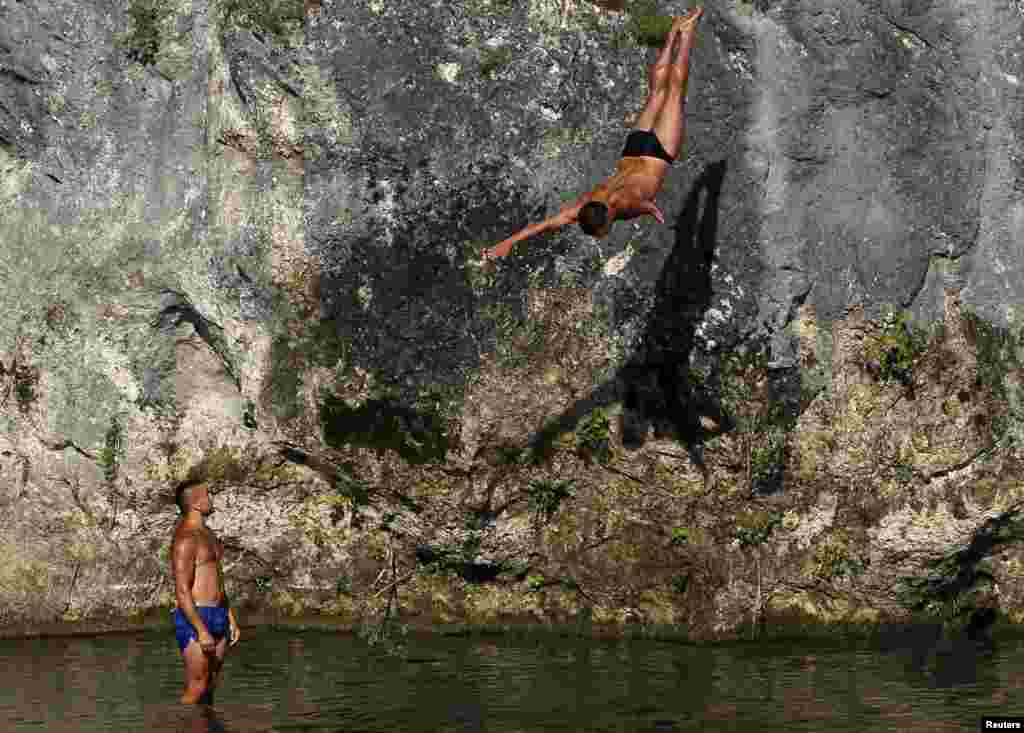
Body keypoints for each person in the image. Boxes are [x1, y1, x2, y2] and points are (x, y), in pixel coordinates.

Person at [482, 7, 704, 260]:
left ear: (609, 216)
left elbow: (642, 204)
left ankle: (686, 35)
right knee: (656, 94)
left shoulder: (622, 206)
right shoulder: (586, 204)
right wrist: (508, 243)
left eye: (604, 230)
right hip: (634, 148)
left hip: (658, 154)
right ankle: (674, 31)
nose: (603, 234)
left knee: (674, 92)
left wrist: (650, 210)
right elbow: (546, 225)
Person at [170, 479, 241, 705]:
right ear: (196, 504)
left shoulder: (208, 534)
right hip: (196, 617)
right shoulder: (185, 539)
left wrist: (230, 618)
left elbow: (218, 580)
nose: (211, 498)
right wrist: (201, 630)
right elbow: (182, 591)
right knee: (197, 684)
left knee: (210, 684)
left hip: (219, 613)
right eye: (207, 495)